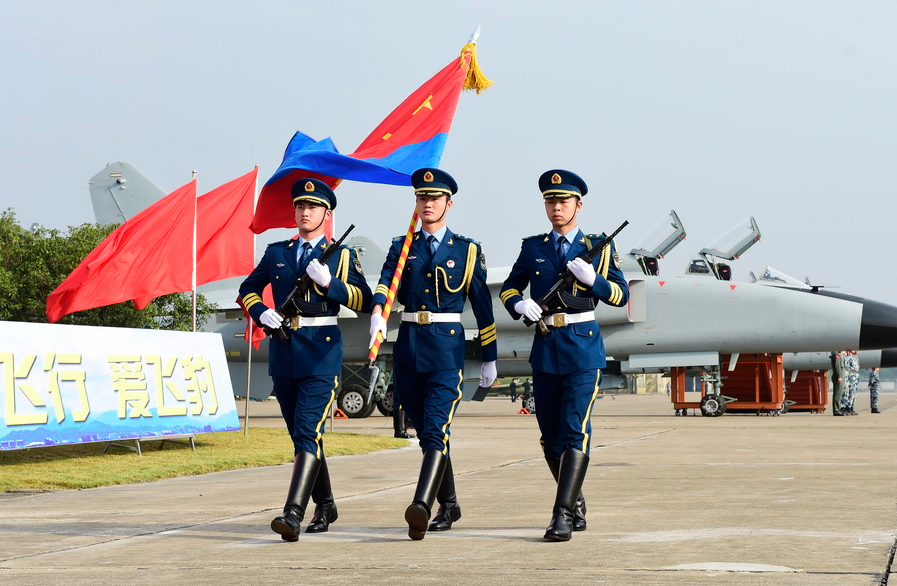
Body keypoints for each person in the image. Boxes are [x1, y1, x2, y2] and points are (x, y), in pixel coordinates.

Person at [499, 169, 629, 542]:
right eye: (550, 201)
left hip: (583, 348)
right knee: (549, 438)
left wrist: (593, 281)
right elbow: (509, 288)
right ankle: (575, 501)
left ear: (578, 205)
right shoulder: (533, 246)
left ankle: (561, 515)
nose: (557, 207)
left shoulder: (599, 246)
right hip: (545, 346)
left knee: (575, 431)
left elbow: (620, 296)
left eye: (564, 201)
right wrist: (520, 305)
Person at [239, 178, 372, 541]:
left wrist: (331, 285)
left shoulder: (341, 255)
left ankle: (292, 514)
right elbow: (247, 288)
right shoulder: (277, 252)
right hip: (284, 350)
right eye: (300, 206)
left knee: (307, 430)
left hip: (321, 353)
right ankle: (326, 504)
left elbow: (363, 301)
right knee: (303, 437)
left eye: (312, 207)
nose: (304, 212)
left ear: (327, 214)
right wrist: (261, 312)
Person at [369, 167, 497, 540]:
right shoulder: (401, 245)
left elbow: (482, 305)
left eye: (435, 198)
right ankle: (451, 503)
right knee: (427, 433)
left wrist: (489, 354)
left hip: (445, 347)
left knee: (438, 427)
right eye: (422, 197)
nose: (427, 203)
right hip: (409, 345)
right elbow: (385, 283)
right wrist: (378, 311)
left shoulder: (467, 250)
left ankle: (422, 505)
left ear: (448, 203)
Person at [844, 350, 860, 415]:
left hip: (856, 376)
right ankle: (848, 407)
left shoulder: (856, 357)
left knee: (854, 393)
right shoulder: (849, 357)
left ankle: (851, 407)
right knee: (850, 392)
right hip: (852, 375)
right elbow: (847, 367)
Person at [831, 351, 846, 416]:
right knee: (837, 394)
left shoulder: (839, 354)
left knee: (839, 394)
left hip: (841, 376)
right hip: (839, 377)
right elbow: (838, 366)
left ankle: (838, 408)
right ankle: (836, 410)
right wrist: (839, 376)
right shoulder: (836, 354)